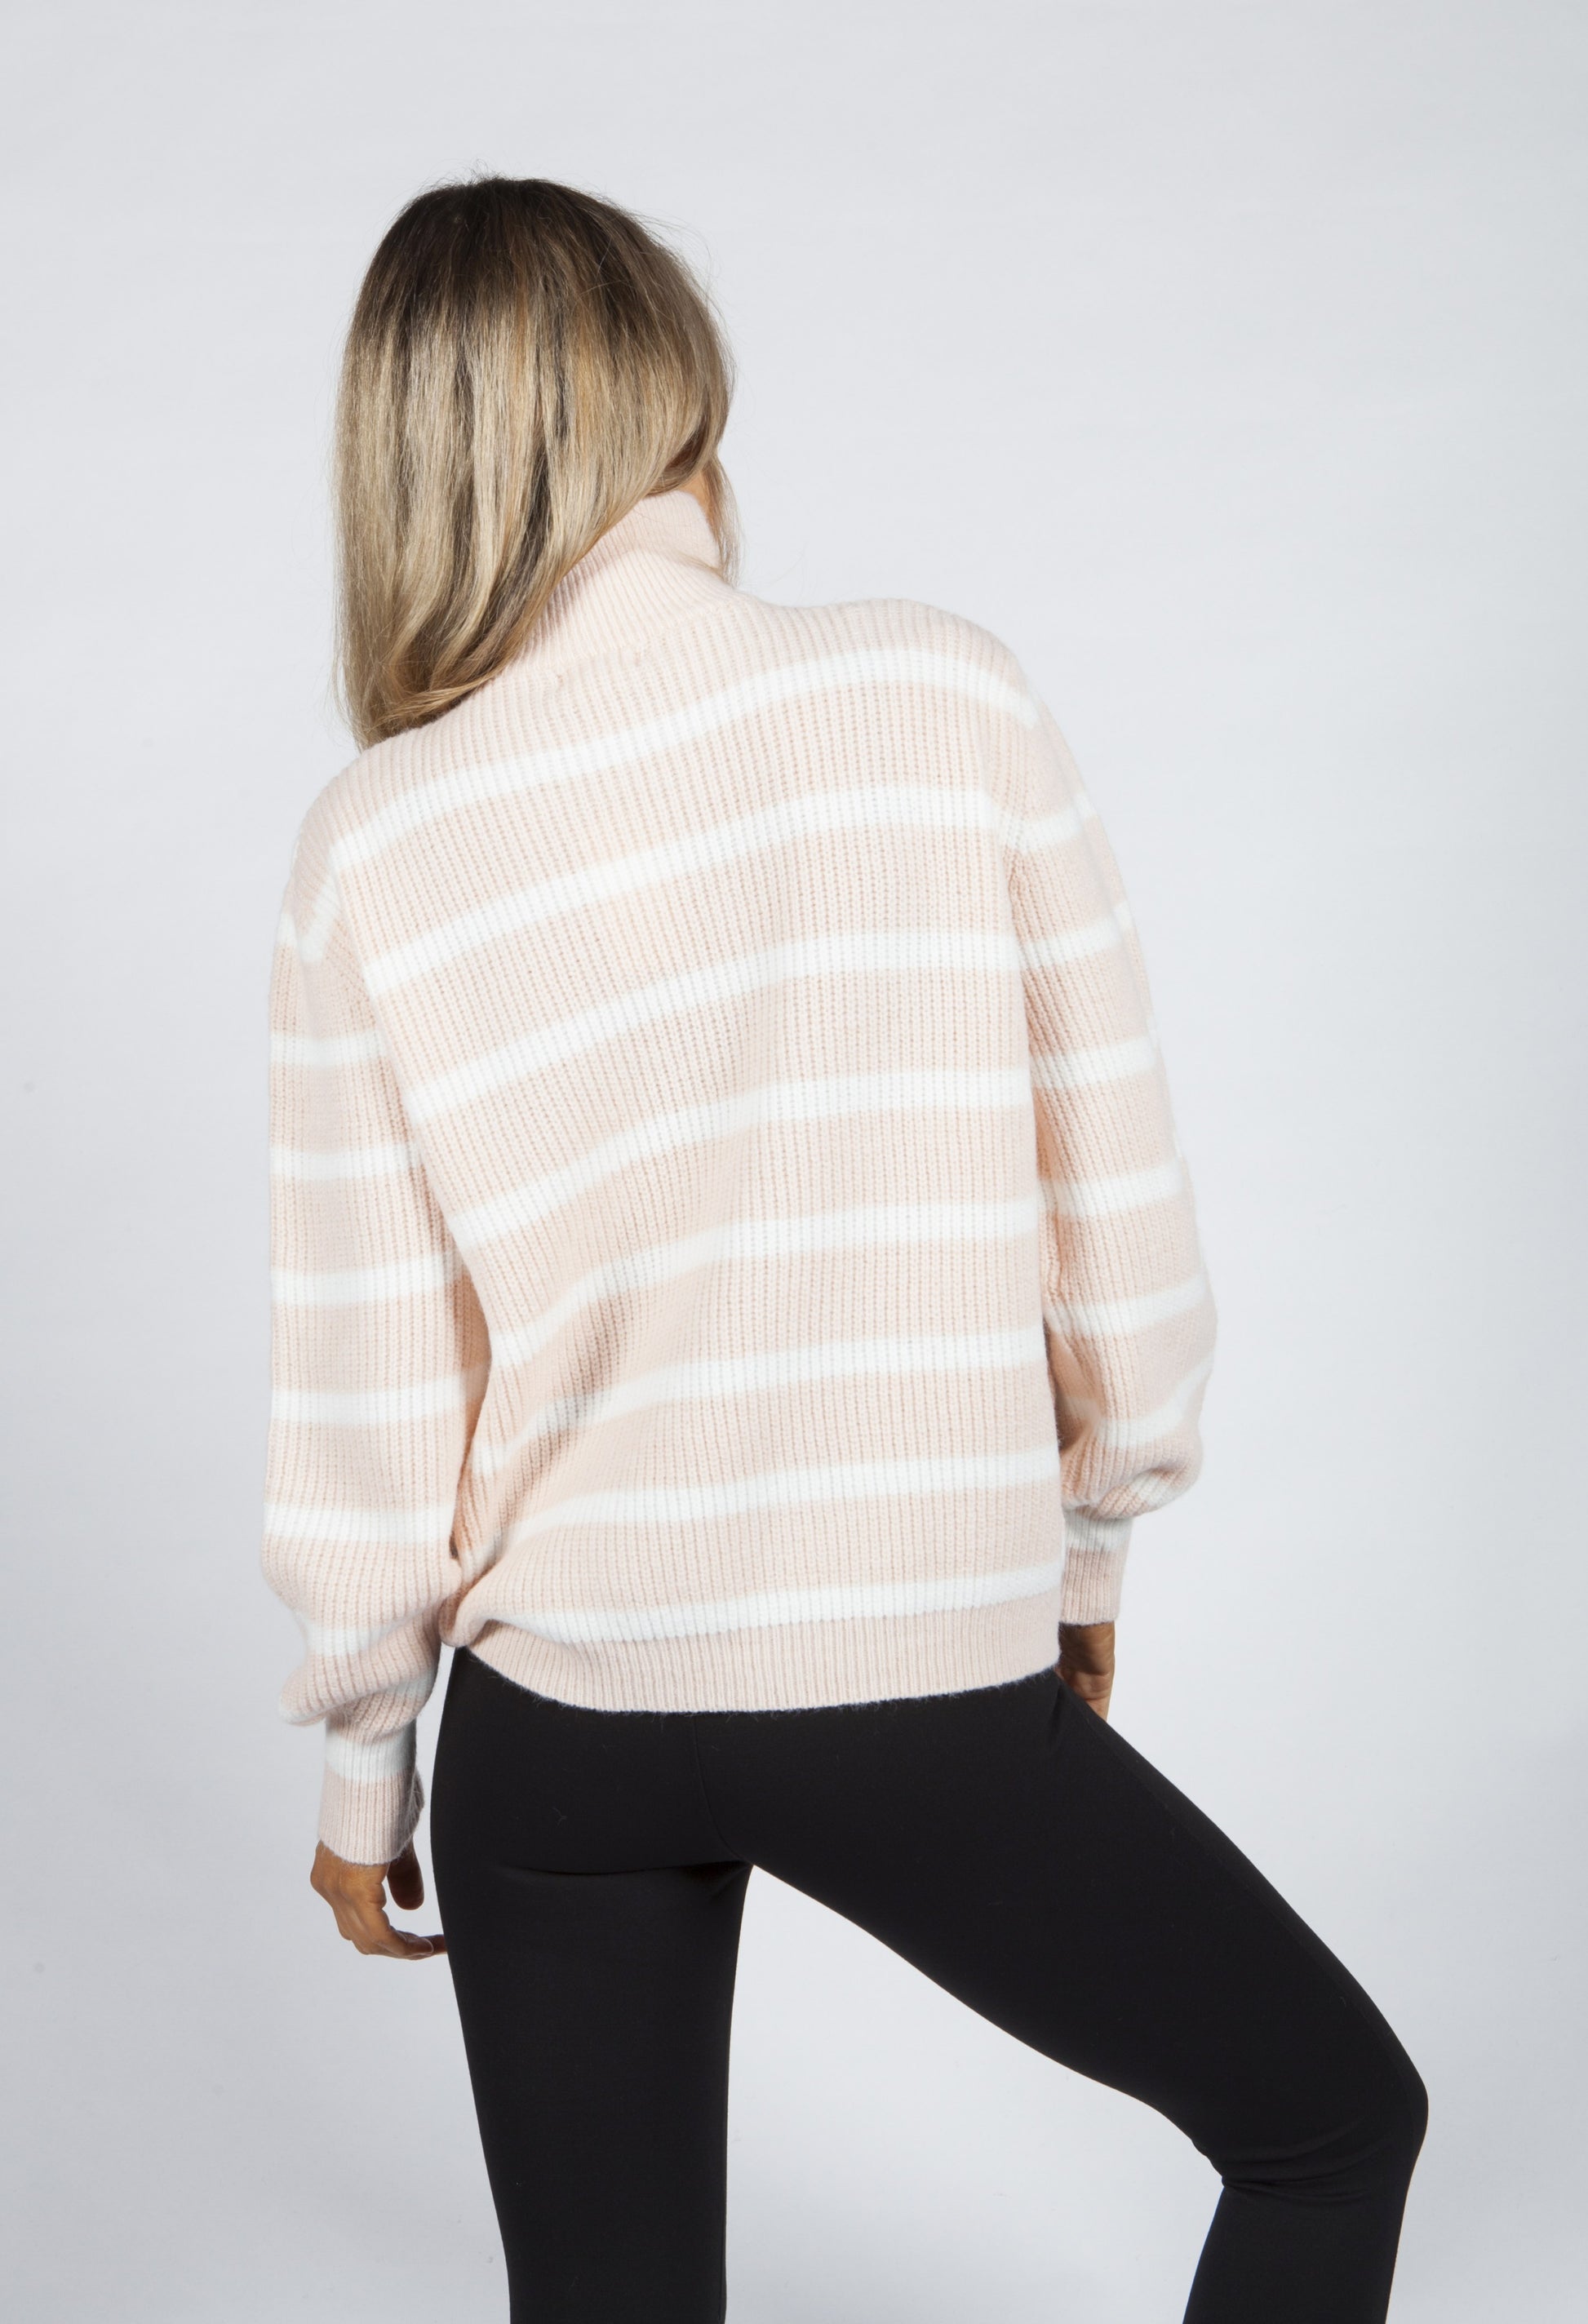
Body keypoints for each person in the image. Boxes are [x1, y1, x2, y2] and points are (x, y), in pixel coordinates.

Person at [264, 175, 1426, 2322]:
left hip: (550, 1739)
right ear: (677, 409)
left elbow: (370, 1380)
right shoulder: (935, 702)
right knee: (1329, 2125)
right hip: (907, 1679)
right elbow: (1116, 1231)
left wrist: (363, 1760)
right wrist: (1086, 1551)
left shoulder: (374, 844)